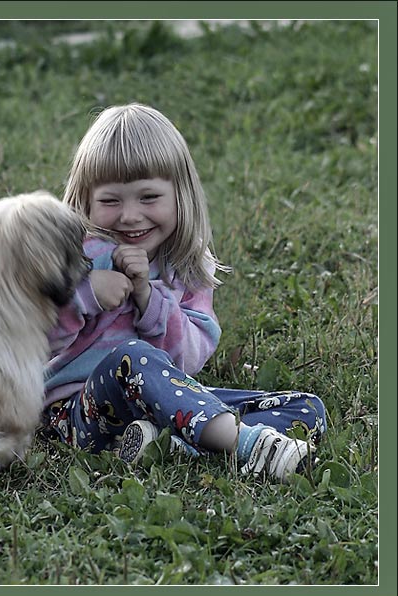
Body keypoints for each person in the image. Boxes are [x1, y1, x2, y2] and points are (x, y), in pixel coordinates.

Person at [41, 103, 326, 481]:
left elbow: (188, 362)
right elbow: (35, 342)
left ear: (180, 195)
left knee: (306, 408)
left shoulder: (187, 265)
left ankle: (162, 444)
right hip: (77, 413)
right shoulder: (74, 257)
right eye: (111, 201)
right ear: (85, 201)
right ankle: (244, 445)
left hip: (162, 404)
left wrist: (148, 298)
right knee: (131, 357)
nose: (129, 215)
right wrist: (84, 295)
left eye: (148, 197)